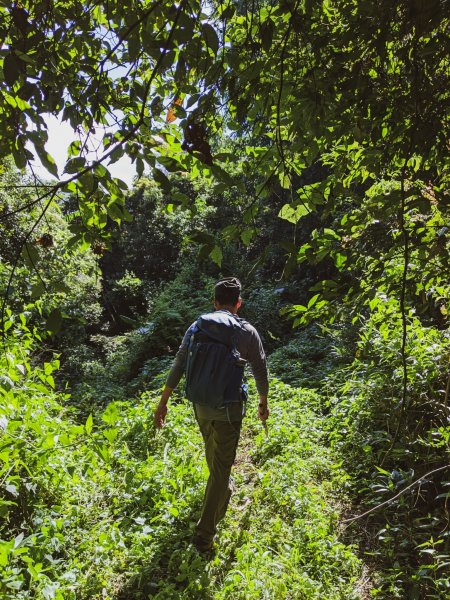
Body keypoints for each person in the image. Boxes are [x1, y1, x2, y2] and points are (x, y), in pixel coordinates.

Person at [154, 277, 269, 553]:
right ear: (238, 304)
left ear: (215, 302)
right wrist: (263, 402)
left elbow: (179, 362)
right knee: (220, 469)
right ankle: (204, 536)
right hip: (229, 410)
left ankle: (221, 486)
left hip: (201, 406)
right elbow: (260, 369)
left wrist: (163, 402)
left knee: (213, 455)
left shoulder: (197, 327)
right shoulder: (247, 331)